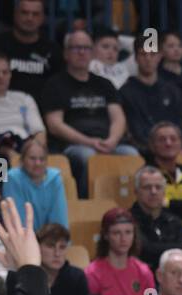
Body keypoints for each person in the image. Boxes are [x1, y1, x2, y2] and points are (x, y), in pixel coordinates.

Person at [41, 29, 139, 200]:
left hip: (108, 143)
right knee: (87, 156)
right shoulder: (55, 84)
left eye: (86, 48)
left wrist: (112, 140)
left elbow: (118, 117)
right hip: (75, 145)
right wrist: (89, 142)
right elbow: (55, 125)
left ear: (92, 53)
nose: (81, 52)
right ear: (65, 53)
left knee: (131, 154)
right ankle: (89, 203)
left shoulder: (104, 84)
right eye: (76, 48)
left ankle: (131, 205)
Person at [118, 45, 182, 150]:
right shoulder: (125, 92)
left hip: (172, 147)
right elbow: (132, 130)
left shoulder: (172, 90)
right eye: (143, 54)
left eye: (152, 54)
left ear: (159, 57)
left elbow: (180, 124)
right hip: (141, 150)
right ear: (136, 58)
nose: (148, 59)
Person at [130, 165, 182, 273]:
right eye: (147, 187)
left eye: (158, 187)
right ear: (136, 192)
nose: (153, 192)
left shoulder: (175, 221)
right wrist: (179, 247)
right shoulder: (128, 221)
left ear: (164, 192)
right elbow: (145, 251)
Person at [3, 139, 69, 230]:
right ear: (22, 160)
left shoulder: (55, 178)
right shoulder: (12, 178)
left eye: (42, 159)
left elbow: (59, 220)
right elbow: (18, 223)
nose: (38, 163)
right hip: (22, 240)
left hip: (50, 241)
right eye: (32, 158)